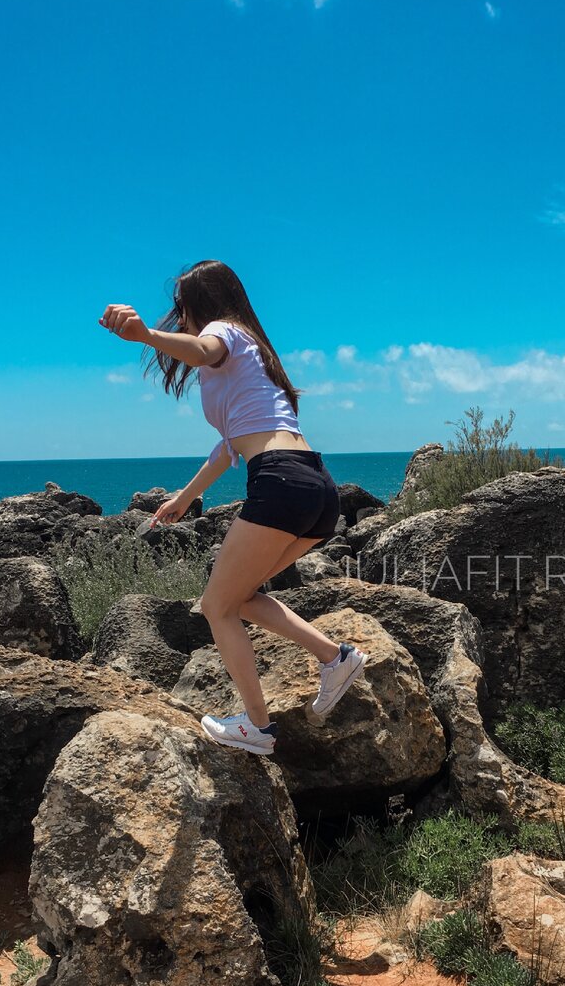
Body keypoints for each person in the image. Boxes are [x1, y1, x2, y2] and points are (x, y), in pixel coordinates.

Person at [98, 259, 367, 756]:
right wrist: (185, 497)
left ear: (200, 303)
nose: (178, 315)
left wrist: (144, 336)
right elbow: (228, 446)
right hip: (316, 488)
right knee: (239, 598)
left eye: (181, 306)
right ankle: (336, 657)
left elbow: (202, 348)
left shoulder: (226, 332)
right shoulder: (256, 356)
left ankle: (257, 728)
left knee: (215, 607)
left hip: (281, 481)